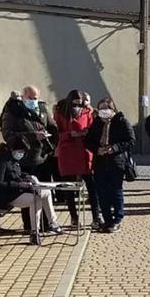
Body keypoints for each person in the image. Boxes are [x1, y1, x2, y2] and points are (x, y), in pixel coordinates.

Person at [0, 136, 60, 245]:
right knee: (36, 200)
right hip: (5, 195)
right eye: (20, 151)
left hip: (16, 191)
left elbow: (17, 174)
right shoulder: (0, 160)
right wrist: (21, 185)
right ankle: (34, 233)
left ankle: (53, 223)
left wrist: (29, 177)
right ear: (12, 149)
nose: (21, 154)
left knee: (46, 192)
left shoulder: (11, 158)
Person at [84, 98, 134, 232]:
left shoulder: (121, 122)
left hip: (116, 162)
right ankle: (107, 220)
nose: (103, 112)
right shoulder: (97, 123)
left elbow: (130, 140)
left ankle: (117, 219)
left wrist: (115, 148)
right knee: (101, 192)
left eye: (106, 109)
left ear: (112, 109)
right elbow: (88, 141)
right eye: (101, 109)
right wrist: (96, 149)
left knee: (115, 191)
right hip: (100, 162)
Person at [54, 90, 100, 227]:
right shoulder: (60, 112)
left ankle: (96, 217)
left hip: (84, 153)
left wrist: (87, 133)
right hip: (68, 154)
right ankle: (74, 218)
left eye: (80, 104)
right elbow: (56, 134)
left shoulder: (87, 112)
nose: (78, 107)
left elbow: (93, 129)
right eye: (75, 104)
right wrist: (69, 134)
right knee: (70, 188)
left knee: (92, 187)